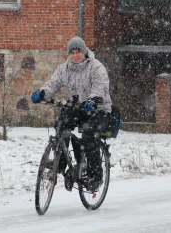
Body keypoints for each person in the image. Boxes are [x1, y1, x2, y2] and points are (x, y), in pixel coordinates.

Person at [31, 36, 112, 192]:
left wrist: (93, 99)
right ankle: (60, 161)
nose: (76, 55)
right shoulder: (64, 69)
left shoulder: (96, 67)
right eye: (72, 52)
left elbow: (99, 86)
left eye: (79, 51)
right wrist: (42, 93)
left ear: (85, 51)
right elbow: (53, 83)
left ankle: (96, 176)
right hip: (78, 108)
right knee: (61, 124)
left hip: (98, 110)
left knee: (89, 136)